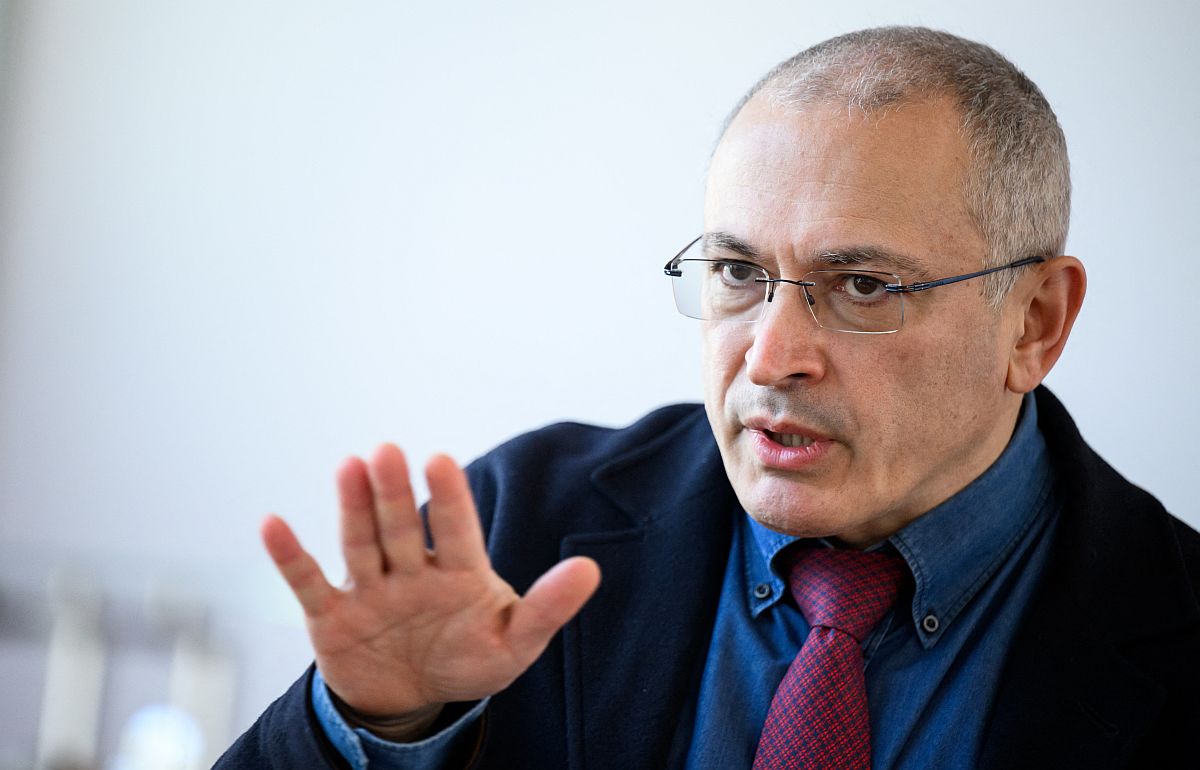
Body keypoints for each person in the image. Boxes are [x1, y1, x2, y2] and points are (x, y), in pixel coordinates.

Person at [216, 26, 1200, 770]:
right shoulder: (516, 524)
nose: (770, 357)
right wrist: (377, 727)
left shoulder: (1177, 616)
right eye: (736, 272)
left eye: (862, 286)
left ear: (1034, 322)